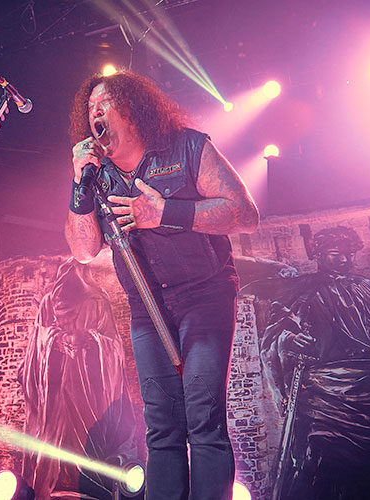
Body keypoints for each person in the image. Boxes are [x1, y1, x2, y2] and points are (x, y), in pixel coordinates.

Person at [64, 71, 259, 500]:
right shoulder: (96, 176)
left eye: (105, 103)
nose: (95, 112)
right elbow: (83, 249)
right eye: (90, 108)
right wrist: (79, 184)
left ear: (133, 110)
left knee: (203, 416)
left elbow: (245, 214)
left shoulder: (187, 147)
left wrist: (165, 212)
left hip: (204, 295)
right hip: (147, 307)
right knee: (162, 424)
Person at [259, 226, 370, 499]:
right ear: (318, 254)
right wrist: (290, 341)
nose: (344, 260)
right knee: (323, 455)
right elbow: (275, 336)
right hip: (325, 393)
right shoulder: (299, 292)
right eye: (336, 254)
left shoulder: (369, 288)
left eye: (349, 254)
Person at [19, 258, 138, 499]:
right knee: (51, 453)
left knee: (89, 448)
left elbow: (113, 346)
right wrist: (56, 339)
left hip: (89, 396)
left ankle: (88, 490)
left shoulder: (97, 301)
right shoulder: (49, 302)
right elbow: (37, 343)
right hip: (53, 398)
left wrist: (89, 340)